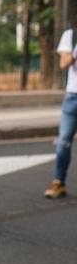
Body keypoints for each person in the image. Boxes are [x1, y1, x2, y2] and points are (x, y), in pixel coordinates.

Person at [43, 28, 77, 198]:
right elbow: (63, 64)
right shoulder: (71, 35)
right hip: (73, 97)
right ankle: (59, 183)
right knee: (63, 141)